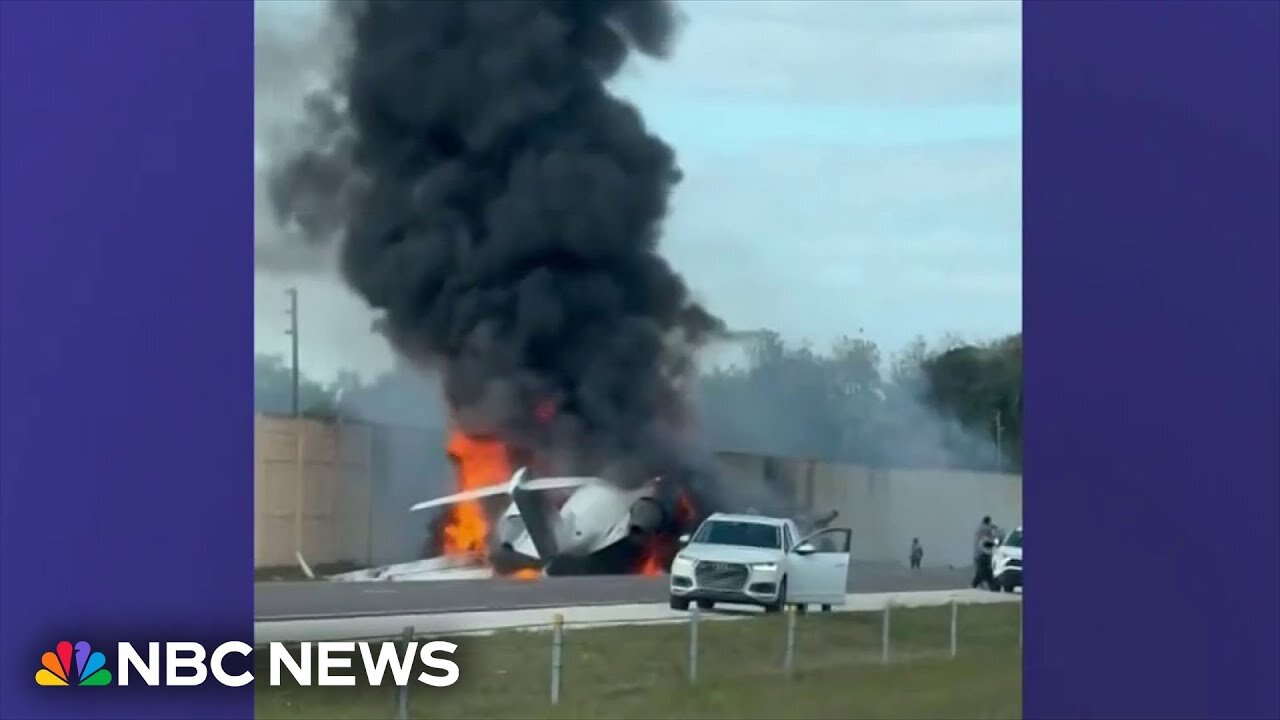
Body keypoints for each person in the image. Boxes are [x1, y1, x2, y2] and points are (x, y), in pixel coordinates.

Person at [971, 516, 999, 589]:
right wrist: (994, 528)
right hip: (984, 552)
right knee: (985, 570)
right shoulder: (987, 529)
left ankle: (978, 584)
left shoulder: (978, 528)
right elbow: (992, 539)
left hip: (976, 552)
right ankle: (981, 584)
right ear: (988, 521)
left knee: (978, 569)